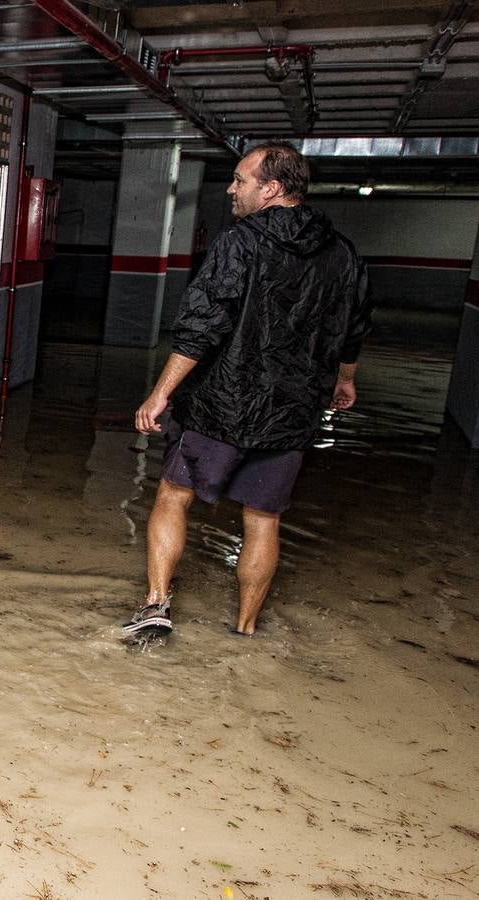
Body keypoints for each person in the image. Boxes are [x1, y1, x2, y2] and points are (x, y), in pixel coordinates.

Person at [127, 141, 372, 638]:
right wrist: (345, 379)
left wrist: (160, 393)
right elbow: (355, 325)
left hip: (222, 405)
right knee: (263, 520)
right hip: (293, 412)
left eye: (240, 180)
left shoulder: (240, 242)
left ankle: (155, 605)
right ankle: (245, 628)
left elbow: (203, 324)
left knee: (174, 496)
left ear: (272, 188)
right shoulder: (343, 252)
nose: (231, 188)